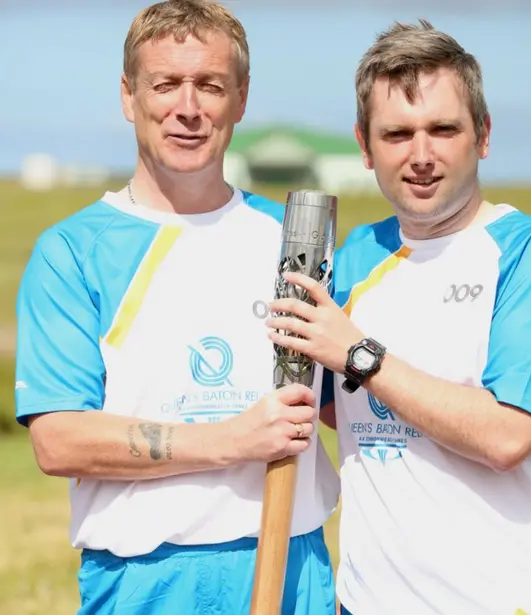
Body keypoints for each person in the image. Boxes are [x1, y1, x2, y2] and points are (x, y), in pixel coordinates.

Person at [266, 19, 531, 615]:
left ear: (482, 135)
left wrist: (358, 355)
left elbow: (507, 436)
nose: (421, 155)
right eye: (396, 133)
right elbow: (331, 410)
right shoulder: (352, 260)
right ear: (364, 145)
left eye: (442, 129)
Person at [14, 1, 339, 614]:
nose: (187, 108)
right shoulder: (73, 251)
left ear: (240, 99)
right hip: (143, 581)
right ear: (128, 95)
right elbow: (58, 442)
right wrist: (232, 440)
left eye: (210, 86)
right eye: (165, 84)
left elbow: (339, 408)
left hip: (294, 566)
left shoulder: (294, 241)